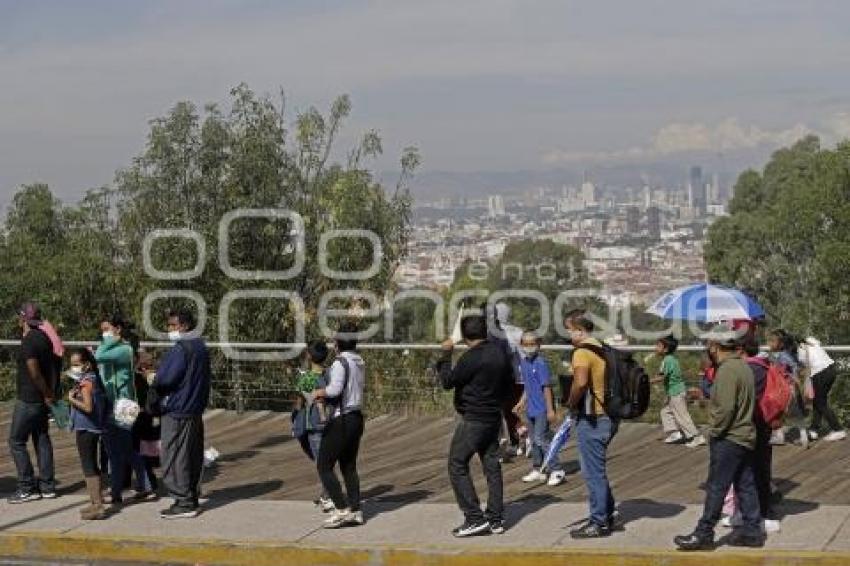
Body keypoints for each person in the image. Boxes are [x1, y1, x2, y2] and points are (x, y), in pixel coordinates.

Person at [674, 325, 764, 551]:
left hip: (729, 437)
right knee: (746, 484)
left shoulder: (727, 371)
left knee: (717, 486)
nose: (707, 348)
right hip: (745, 435)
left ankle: (704, 533)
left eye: (708, 344)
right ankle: (753, 532)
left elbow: (725, 409)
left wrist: (714, 431)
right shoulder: (743, 367)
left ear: (715, 346)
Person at [437, 313, 513, 537]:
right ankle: (495, 518)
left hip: (474, 419)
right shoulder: (499, 353)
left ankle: (474, 518)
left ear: (464, 335)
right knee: (492, 465)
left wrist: (445, 355)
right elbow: (508, 385)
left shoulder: (471, 357)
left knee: (457, 463)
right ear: (485, 331)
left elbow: (448, 382)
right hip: (493, 417)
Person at [152, 308, 211, 519]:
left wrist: (155, 381)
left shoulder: (180, 349)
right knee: (192, 455)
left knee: (174, 455)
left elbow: (165, 379)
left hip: (177, 410)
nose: (170, 330)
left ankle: (183, 501)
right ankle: (191, 496)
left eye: (173, 326)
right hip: (194, 409)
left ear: (184, 326)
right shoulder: (200, 347)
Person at [564, 309, 618, 539]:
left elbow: (581, 382)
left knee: (592, 471)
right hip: (610, 415)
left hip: (593, 418)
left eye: (569, 329)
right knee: (597, 469)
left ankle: (598, 522)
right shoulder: (603, 348)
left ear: (579, 329)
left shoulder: (582, 353)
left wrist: (569, 402)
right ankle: (607, 512)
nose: (568, 335)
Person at [96, 314, 153, 506]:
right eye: (102, 331)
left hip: (123, 405)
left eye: (107, 330)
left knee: (117, 450)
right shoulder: (118, 348)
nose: (104, 334)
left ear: (118, 330)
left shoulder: (124, 349)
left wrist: (109, 342)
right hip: (113, 404)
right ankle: (142, 485)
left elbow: (99, 356)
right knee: (124, 449)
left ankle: (118, 490)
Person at [314, 323, 367, 529]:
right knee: (349, 466)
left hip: (341, 419)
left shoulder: (339, 363)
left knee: (324, 465)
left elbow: (335, 389)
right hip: (356, 417)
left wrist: (320, 393)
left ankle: (341, 508)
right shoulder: (359, 361)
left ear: (337, 343)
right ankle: (355, 510)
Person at [7, 303, 58, 503]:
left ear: (23, 319)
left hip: (29, 398)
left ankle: (26, 487)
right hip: (41, 400)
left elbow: (35, 373)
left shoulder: (29, 341)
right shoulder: (44, 338)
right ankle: (47, 486)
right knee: (41, 438)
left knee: (16, 441)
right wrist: (50, 393)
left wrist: (46, 393)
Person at [514, 331, 565, 486]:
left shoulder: (540, 363)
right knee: (533, 440)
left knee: (540, 439)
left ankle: (556, 468)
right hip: (530, 408)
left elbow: (546, 388)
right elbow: (528, 386)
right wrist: (521, 402)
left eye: (532, 344)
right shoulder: (523, 363)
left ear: (538, 344)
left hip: (542, 408)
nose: (529, 347)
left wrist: (550, 410)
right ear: (521, 345)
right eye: (526, 344)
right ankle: (538, 468)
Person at [67, 348, 110, 520]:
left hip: (86, 429)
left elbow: (88, 407)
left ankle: (97, 505)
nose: (74, 368)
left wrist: (71, 399)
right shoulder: (93, 378)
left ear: (86, 364)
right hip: (93, 428)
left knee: (88, 466)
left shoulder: (86, 383)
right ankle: (95, 502)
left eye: (77, 364)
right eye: (72, 365)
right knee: (92, 463)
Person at [293, 340, 333, 513]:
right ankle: (327, 492)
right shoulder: (329, 373)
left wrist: (295, 419)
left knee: (320, 462)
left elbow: (299, 401)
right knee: (324, 459)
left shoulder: (307, 377)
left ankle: (329, 494)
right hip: (328, 422)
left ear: (309, 356)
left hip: (313, 424)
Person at [485, 302, 524, 459]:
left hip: (502, 377)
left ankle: (512, 441)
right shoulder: (518, 332)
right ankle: (522, 441)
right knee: (515, 411)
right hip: (520, 377)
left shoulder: (493, 332)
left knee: (504, 411)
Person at [653, 335, 705, 448]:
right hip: (675, 392)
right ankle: (674, 433)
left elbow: (661, 377)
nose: (655, 348)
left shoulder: (667, 361)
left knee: (681, 416)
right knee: (665, 411)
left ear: (665, 349)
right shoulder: (671, 359)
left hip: (676, 392)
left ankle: (696, 436)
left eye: (658, 346)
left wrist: (648, 381)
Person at [798, 336, 845, 442]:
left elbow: (804, 369)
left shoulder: (800, 350)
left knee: (820, 403)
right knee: (818, 401)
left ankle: (838, 430)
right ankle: (814, 430)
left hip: (820, 373)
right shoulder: (811, 341)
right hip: (831, 369)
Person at [767, 329, 808, 447]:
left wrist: (793, 378)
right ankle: (802, 437)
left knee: (780, 412)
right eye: (769, 341)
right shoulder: (776, 355)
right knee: (787, 413)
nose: (769, 344)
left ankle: (782, 437)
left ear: (780, 344)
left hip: (785, 388)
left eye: (772, 341)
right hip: (782, 387)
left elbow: (794, 366)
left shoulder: (782, 355)